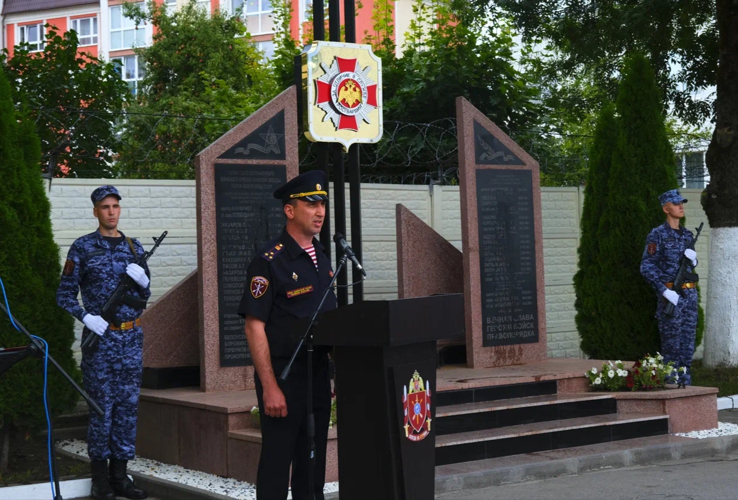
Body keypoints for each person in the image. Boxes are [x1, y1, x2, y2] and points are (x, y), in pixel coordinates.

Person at [238, 170, 336, 500]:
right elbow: (254, 326)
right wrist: (269, 387)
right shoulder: (269, 262)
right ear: (290, 210)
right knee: (278, 463)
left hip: (318, 374)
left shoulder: (322, 258)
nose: (319, 210)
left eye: (322, 203)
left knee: (313, 462)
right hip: (284, 376)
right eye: (310, 203)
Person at [57, 185, 150, 500]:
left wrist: (143, 282)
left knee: (127, 409)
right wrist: (85, 317)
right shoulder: (82, 248)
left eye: (115, 206)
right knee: (102, 410)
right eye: (105, 207)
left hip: (131, 340)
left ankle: (120, 476)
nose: (111, 212)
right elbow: (64, 295)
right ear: (95, 210)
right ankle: (100, 480)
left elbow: (142, 299)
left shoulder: (135, 248)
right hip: (101, 340)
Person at [640, 189, 699, 387]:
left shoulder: (687, 235)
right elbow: (646, 266)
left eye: (681, 202)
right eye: (676, 203)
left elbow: (689, 266)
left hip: (689, 295)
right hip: (671, 295)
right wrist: (664, 291)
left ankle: (687, 387)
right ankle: (672, 387)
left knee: (687, 346)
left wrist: (694, 260)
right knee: (672, 347)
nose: (681, 206)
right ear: (666, 208)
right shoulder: (658, 235)